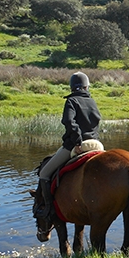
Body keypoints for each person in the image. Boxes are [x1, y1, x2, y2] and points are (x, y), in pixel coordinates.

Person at [37, 71, 102, 219]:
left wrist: (78, 141)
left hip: (78, 145)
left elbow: (69, 123)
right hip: (96, 144)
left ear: (72, 87)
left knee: (44, 174)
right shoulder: (92, 102)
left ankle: (49, 209)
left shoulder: (72, 101)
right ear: (87, 87)